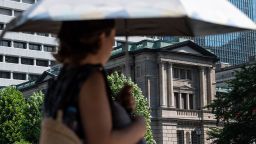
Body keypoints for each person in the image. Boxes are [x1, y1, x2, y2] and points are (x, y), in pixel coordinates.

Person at [43, 20, 146, 144]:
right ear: (101, 37)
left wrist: (117, 107)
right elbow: (102, 141)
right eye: (113, 36)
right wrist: (140, 126)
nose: (113, 43)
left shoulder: (65, 76)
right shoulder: (91, 78)